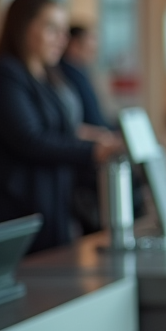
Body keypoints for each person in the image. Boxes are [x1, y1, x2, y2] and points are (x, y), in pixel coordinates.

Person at [0, 0, 122, 253]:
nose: (61, 39)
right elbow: (29, 139)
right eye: (51, 28)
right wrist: (92, 150)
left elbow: (60, 128)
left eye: (64, 31)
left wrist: (95, 137)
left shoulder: (47, 76)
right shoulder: (3, 75)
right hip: (16, 207)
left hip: (51, 201)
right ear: (22, 27)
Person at [60, 23, 111, 233]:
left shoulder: (81, 73)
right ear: (73, 45)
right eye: (89, 47)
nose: (93, 53)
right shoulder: (67, 74)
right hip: (83, 156)